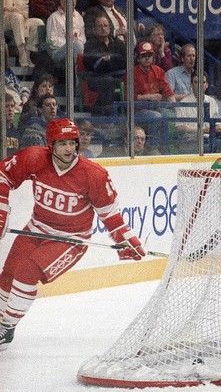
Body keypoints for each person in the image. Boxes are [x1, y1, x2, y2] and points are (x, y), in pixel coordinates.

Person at [0, 119, 145, 348]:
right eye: (63, 143)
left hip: (71, 240)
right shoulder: (35, 158)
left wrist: (124, 238)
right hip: (36, 228)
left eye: (73, 143)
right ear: (51, 145)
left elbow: (109, 214)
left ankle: (6, 328)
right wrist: (1, 206)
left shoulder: (93, 174)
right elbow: (3, 175)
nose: (70, 149)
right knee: (8, 273)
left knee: (28, 272)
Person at [82, 14, 125, 114]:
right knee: (108, 81)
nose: (103, 28)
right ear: (94, 29)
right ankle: (105, 113)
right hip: (95, 78)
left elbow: (124, 61)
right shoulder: (90, 44)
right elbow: (92, 64)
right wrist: (112, 61)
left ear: (110, 28)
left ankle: (103, 110)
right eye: (100, 26)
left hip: (116, 77)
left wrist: (107, 60)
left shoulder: (118, 43)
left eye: (105, 26)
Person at [2, 0, 45, 67]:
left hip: (20, 18)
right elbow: (2, 7)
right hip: (4, 19)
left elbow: (25, 7)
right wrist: (16, 12)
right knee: (17, 17)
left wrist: (25, 17)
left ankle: (28, 52)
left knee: (38, 22)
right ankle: (21, 52)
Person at [46, 0, 85, 69]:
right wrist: (70, 43)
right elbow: (52, 41)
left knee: (79, 46)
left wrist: (75, 43)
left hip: (76, 49)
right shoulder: (54, 17)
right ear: (61, 1)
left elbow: (83, 37)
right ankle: (78, 78)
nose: (72, 1)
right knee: (77, 46)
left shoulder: (79, 17)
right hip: (57, 52)